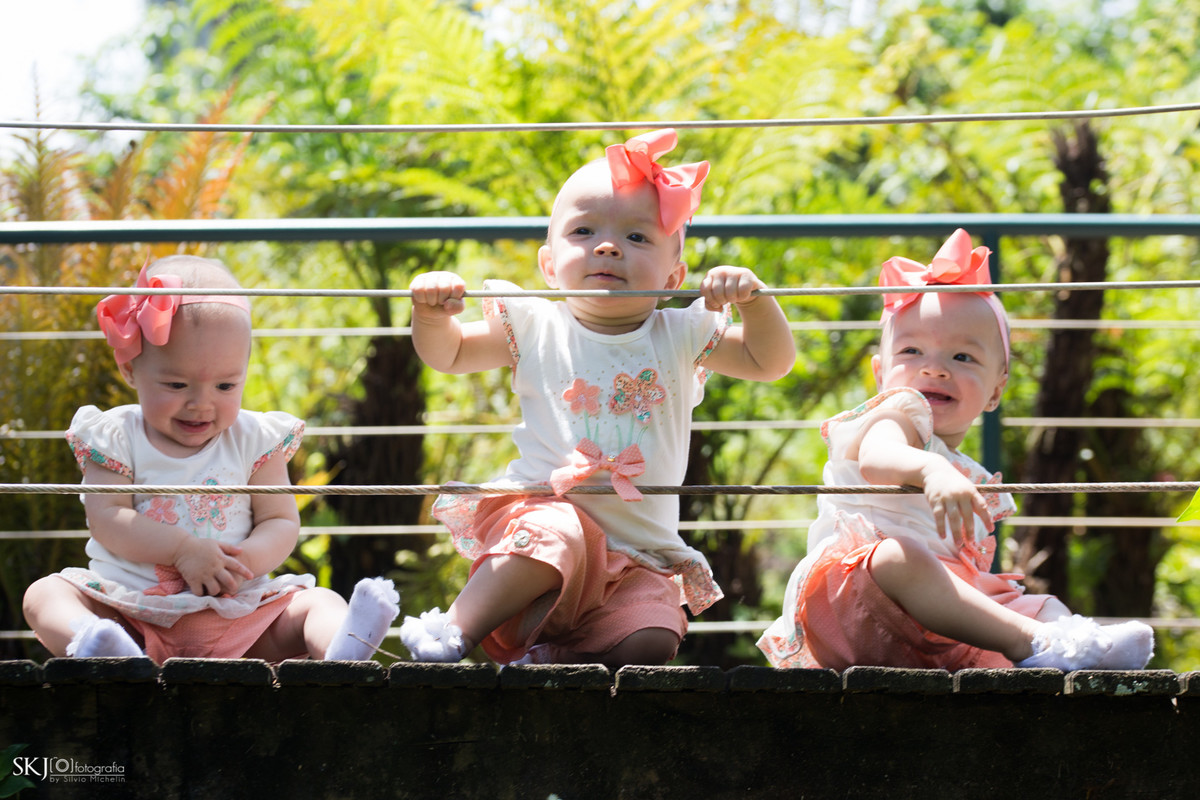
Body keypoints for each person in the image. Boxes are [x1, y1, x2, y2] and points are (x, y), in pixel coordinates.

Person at [402, 129, 796, 668]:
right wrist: (432, 315)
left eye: (637, 238)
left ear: (673, 276)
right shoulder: (535, 325)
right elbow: (448, 355)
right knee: (553, 534)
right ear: (548, 264)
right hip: (544, 527)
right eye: (584, 231)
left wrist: (756, 303)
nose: (607, 246)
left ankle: (554, 663)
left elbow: (768, 362)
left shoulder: (679, 335)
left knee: (651, 637)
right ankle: (452, 632)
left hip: (639, 557)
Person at [758, 229, 1154, 672]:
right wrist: (930, 471)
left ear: (995, 390)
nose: (934, 368)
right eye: (912, 351)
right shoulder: (896, 415)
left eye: (963, 358)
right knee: (899, 556)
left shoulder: (965, 467)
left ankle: (1075, 644)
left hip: (934, 619)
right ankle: (1034, 641)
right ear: (880, 373)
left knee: (1034, 600)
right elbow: (876, 458)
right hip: (859, 603)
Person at [23, 256, 399, 663]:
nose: (201, 403)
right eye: (176, 383)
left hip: (240, 616)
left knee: (317, 602)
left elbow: (280, 519)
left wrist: (244, 564)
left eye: (225, 384)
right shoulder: (116, 436)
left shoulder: (255, 439)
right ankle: (99, 646)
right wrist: (183, 550)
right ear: (130, 368)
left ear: (244, 372)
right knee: (45, 594)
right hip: (131, 615)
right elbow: (107, 517)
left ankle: (340, 652)